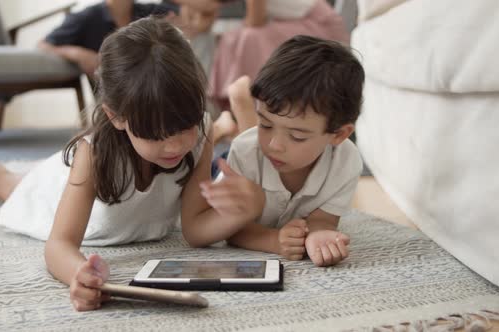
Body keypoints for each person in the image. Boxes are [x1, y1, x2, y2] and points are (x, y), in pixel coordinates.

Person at [0, 18, 213, 311]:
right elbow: (59, 245)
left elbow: (195, 227)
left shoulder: (202, 128)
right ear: (116, 116)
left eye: (185, 126)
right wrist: (79, 274)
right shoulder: (94, 154)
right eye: (157, 134)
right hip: (57, 193)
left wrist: (243, 210)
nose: (176, 145)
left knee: (18, 178)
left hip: (83, 174)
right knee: (9, 184)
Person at [186, 35, 365, 267]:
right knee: (241, 145)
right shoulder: (245, 151)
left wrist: (319, 235)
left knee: (258, 138)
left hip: (253, 152)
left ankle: (244, 113)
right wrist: (273, 241)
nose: (275, 144)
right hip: (225, 165)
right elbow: (231, 228)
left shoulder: (346, 161)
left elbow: (323, 219)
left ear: (339, 135)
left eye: (297, 136)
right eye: (266, 124)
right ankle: (236, 112)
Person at [208, 0, 350, 106]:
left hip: (318, 25)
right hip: (298, 22)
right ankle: (241, 102)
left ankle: (250, 101)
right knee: (235, 37)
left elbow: (255, 20)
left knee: (248, 38)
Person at [38, 0, 177, 76]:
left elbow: (187, 14)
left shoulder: (150, 12)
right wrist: (77, 53)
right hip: (114, 97)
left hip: (154, 88)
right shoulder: (87, 17)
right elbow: (43, 45)